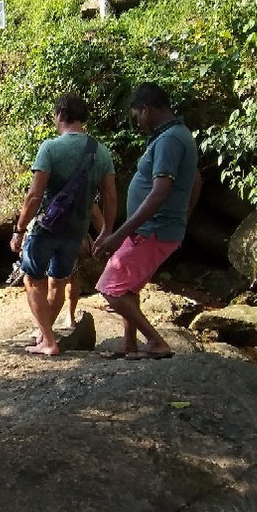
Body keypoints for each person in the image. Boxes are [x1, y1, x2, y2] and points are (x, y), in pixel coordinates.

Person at [92, 82, 202, 360]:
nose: (137, 122)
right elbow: (197, 180)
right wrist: (183, 218)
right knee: (126, 287)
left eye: (137, 115)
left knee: (110, 288)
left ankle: (156, 342)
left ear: (147, 109)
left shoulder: (169, 140)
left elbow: (160, 191)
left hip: (152, 230)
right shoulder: (175, 136)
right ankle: (129, 344)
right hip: (155, 228)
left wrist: (118, 234)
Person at [9, 93, 117, 356]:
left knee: (33, 279)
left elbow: (34, 196)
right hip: (76, 230)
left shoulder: (50, 148)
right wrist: (106, 231)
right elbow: (111, 196)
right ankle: (46, 332)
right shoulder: (100, 151)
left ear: (60, 115)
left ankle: (48, 339)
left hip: (46, 227)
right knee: (58, 280)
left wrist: (19, 229)